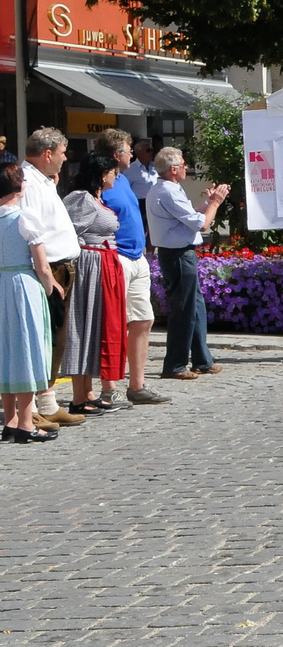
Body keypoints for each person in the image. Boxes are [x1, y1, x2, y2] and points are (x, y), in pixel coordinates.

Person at [89, 130, 170, 407]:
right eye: (127, 150)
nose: (132, 154)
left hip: (137, 258)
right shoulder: (103, 182)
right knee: (113, 324)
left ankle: (137, 384)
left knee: (143, 319)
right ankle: (109, 387)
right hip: (116, 257)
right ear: (115, 155)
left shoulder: (122, 179)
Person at [144, 147, 229, 381]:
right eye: (183, 165)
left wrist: (209, 202)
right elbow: (201, 224)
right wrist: (216, 203)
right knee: (183, 309)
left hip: (181, 252)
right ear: (173, 169)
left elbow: (190, 215)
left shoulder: (169, 189)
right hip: (177, 254)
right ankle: (175, 364)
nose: (186, 168)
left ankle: (202, 359)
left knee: (195, 306)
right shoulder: (167, 192)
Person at [22, 129, 83, 431]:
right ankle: (31, 407)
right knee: (43, 338)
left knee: (57, 338)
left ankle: (47, 403)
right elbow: (32, 231)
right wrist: (45, 273)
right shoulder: (28, 182)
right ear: (47, 154)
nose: (64, 158)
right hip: (51, 267)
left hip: (61, 265)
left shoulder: (42, 180)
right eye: (61, 152)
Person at [59, 154, 127, 416]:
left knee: (97, 327)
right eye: (113, 171)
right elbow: (66, 232)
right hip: (89, 268)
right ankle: (78, 396)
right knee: (83, 326)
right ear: (101, 174)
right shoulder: (80, 199)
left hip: (104, 265)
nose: (116, 176)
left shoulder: (98, 199)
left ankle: (88, 392)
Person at [0, 162, 60, 444]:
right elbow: (42, 265)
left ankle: (9, 419)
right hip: (22, 284)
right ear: (20, 187)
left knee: (6, 349)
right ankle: (25, 422)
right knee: (26, 346)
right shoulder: (25, 218)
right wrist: (50, 288)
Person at [123, 136, 157, 201]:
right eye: (148, 150)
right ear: (139, 153)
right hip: (140, 202)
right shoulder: (130, 169)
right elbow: (126, 189)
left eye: (151, 150)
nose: (151, 152)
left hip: (156, 201)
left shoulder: (156, 166)